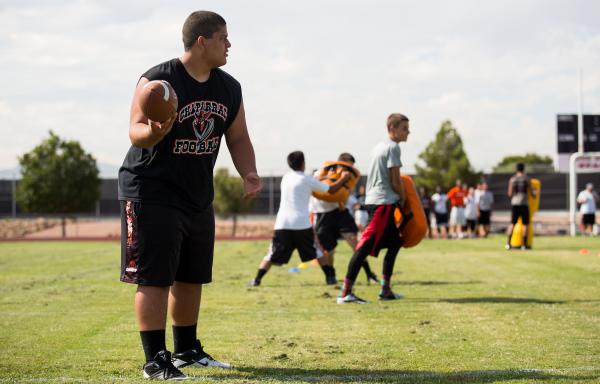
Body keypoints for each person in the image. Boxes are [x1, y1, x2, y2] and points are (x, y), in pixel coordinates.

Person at [118, 11, 262, 380]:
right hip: (151, 189)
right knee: (154, 277)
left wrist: (249, 172)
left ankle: (187, 351)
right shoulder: (158, 80)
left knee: (191, 276)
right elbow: (135, 129)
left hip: (196, 193)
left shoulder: (229, 87)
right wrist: (153, 134)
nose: (229, 45)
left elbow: (239, 136)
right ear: (202, 41)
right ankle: (155, 359)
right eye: (223, 38)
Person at [337, 113, 410, 304]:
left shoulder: (380, 146)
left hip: (378, 201)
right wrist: (403, 198)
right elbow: (395, 180)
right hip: (382, 204)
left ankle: (385, 290)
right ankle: (345, 292)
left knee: (395, 244)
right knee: (362, 248)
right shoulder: (393, 148)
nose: (408, 132)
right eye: (404, 128)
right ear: (392, 129)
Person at [249, 151, 350, 287]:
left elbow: (306, 184)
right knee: (318, 251)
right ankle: (330, 278)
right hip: (301, 224)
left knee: (272, 253)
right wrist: (343, 178)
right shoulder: (306, 179)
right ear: (303, 163)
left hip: (282, 223)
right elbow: (331, 190)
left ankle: (256, 280)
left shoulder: (286, 178)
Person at [311, 153, 378, 285]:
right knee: (329, 250)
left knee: (355, 243)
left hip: (341, 213)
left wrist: (352, 203)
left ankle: (369, 274)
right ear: (343, 162)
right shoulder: (321, 172)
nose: (350, 169)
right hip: (323, 214)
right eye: (349, 165)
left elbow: (344, 195)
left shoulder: (347, 177)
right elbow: (322, 191)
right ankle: (331, 274)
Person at [505, 162, 535, 250]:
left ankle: (508, 244)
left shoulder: (512, 179)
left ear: (516, 169)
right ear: (523, 169)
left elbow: (509, 193)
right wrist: (535, 194)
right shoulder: (527, 179)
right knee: (525, 224)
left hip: (515, 203)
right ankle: (524, 245)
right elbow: (532, 193)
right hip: (524, 204)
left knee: (512, 224)